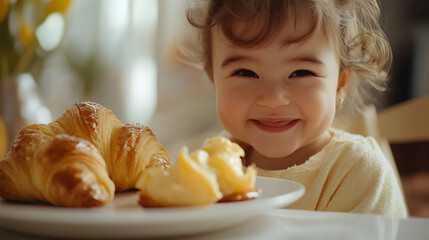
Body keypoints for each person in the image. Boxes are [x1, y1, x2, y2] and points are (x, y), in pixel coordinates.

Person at [184, 0, 408, 217]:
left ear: (340, 84)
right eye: (245, 72)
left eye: (301, 73)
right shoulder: (206, 168)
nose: (272, 99)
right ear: (214, 80)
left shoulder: (359, 172)